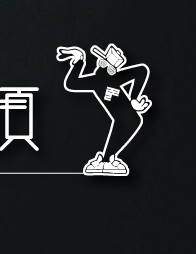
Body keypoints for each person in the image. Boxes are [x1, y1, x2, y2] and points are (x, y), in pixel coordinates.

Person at [57, 43, 151, 177]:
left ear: (113, 71)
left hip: (129, 115)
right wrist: (79, 60)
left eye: (105, 65)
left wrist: (135, 98)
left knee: (123, 128)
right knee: (119, 130)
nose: (99, 66)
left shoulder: (119, 79)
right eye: (100, 62)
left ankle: (106, 161)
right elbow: (72, 83)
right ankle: (105, 161)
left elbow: (142, 71)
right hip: (120, 119)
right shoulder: (93, 81)